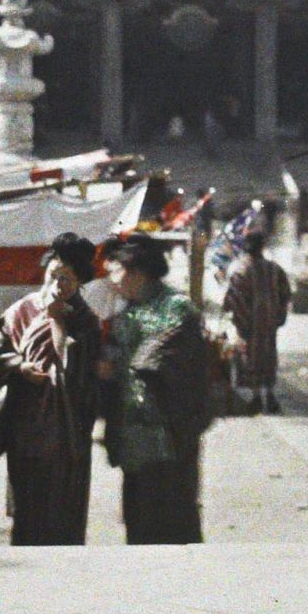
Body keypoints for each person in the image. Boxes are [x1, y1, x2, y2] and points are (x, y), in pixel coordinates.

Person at [0, 234, 105, 545]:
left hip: (66, 432)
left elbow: (77, 374)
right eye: (52, 274)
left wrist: (57, 320)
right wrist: (19, 367)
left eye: (66, 278)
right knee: (28, 512)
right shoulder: (22, 311)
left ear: (80, 283)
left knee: (61, 514)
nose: (56, 284)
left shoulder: (87, 320)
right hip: (26, 427)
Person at [101, 232, 212, 544]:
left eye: (117, 271)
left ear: (138, 272)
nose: (112, 279)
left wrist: (123, 365)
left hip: (169, 435)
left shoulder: (176, 308)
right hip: (133, 439)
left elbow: (166, 359)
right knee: (138, 521)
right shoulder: (125, 314)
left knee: (174, 519)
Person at [222, 227, 291, 415]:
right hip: (268, 324)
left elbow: (233, 301)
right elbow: (285, 295)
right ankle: (269, 394)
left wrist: (240, 324)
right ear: (262, 247)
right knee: (268, 356)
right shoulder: (275, 270)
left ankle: (255, 397)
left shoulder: (240, 270)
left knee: (249, 358)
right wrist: (278, 317)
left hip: (249, 326)